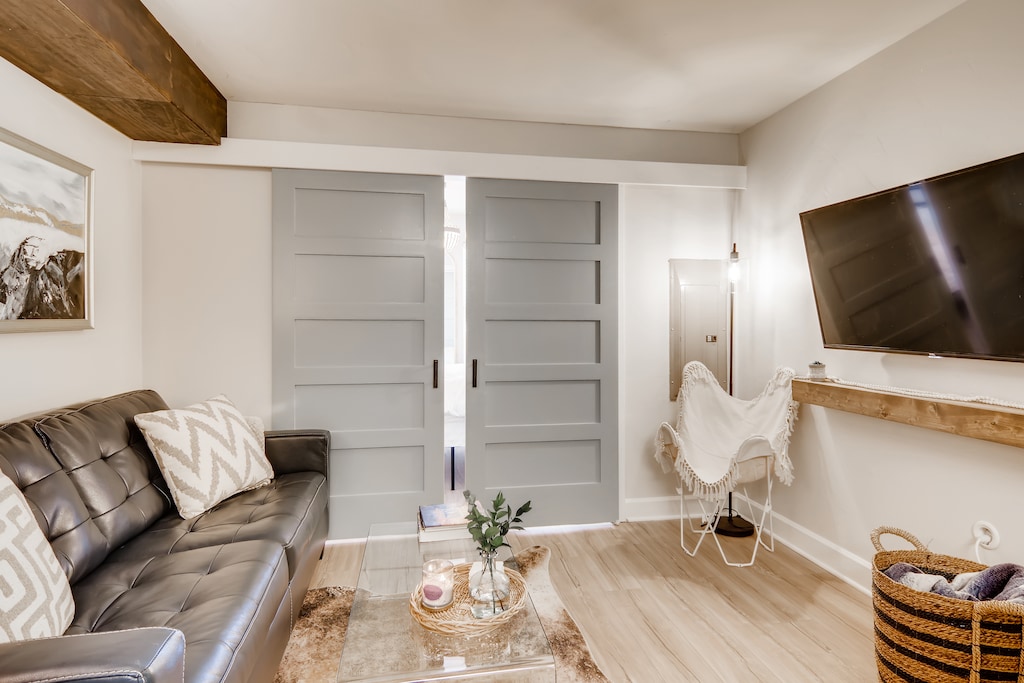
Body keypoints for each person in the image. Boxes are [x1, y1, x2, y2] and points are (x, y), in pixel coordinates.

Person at [0, 235, 84, 320]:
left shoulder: (50, 273)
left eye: (36, 250)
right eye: (27, 250)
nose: (33, 254)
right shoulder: (10, 273)